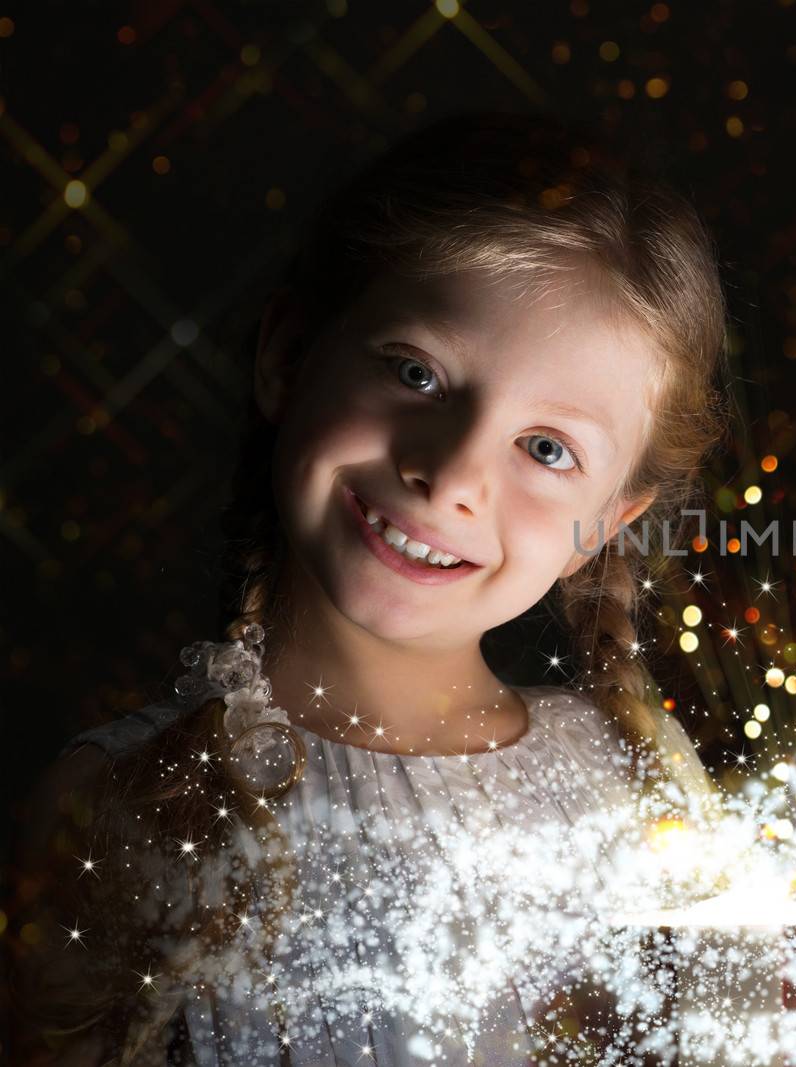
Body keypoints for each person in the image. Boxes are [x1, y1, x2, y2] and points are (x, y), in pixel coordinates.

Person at [7, 113, 729, 1065]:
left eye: (547, 449)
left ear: (606, 525)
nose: (455, 474)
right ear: (286, 356)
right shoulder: (113, 807)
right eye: (416, 374)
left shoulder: (641, 791)